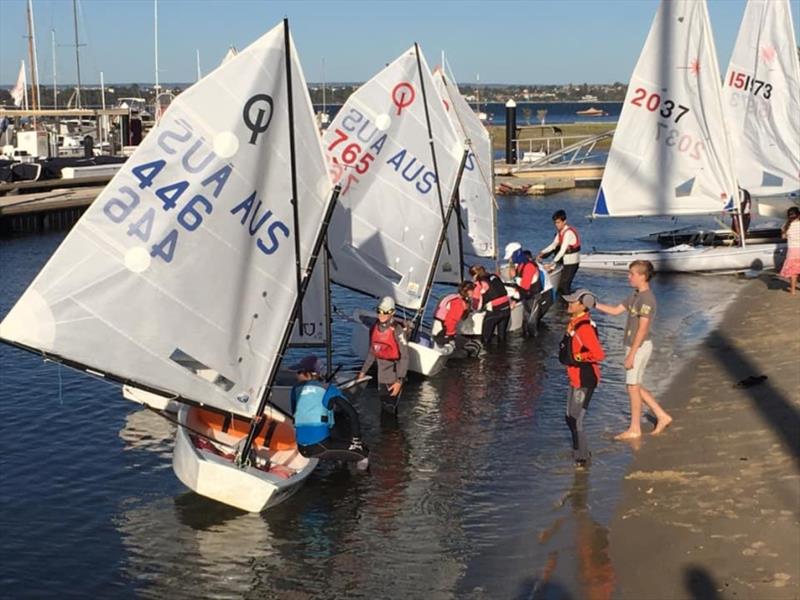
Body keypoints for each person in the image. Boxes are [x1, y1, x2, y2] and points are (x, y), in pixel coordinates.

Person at [595, 260, 672, 439]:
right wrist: (593, 304)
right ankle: (661, 415)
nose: (629, 277)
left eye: (632, 274)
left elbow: (643, 329)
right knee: (634, 385)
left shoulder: (647, 299)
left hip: (639, 346)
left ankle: (635, 428)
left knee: (632, 386)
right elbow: (615, 311)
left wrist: (631, 354)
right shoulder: (636, 295)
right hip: (634, 346)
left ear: (643, 277)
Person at [290, 355, 369, 467]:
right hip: (320, 446)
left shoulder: (295, 390)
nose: (296, 374)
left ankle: (339, 465)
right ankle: (362, 480)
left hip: (302, 447)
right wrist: (357, 441)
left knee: (333, 423)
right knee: (364, 452)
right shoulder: (328, 389)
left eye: (299, 371)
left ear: (309, 373)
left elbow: (297, 414)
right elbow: (352, 413)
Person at [559, 289, 605, 466]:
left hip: (584, 378)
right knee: (569, 417)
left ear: (583, 305)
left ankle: (582, 459)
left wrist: (579, 358)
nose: (569, 304)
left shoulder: (584, 328)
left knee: (576, 419)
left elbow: (599, 354)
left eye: (572, 302)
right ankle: (580, 451)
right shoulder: (574, 323)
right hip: (575, 377)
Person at [358, 296, 409, 414]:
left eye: (386, 312)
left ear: (392, 313)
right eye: (379, 311)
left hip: (394, 376)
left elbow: (405, 356)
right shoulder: (375, 327)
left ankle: (393, 432)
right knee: (383, 410)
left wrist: (399, 381)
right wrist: (362, 372)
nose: (382, 315)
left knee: (390, 410)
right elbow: (372, 352)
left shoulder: (397, 330)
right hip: (381, 376)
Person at [432, 282, 483, 358]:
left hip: (437, 331)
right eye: (473, 291)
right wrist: (451, 337)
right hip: (443, 334)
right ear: (468, 291)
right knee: (474, 347)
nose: (474, 293)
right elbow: (450, 321)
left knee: (468, 343)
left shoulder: (451, 297)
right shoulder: (458, 303)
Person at [537, 209, 581, 296]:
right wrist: (542, 252)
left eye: (558, 222)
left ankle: (569, 304)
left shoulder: (568, 233)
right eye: (555, 223)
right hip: (566, 262)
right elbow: (553, 245)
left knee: (564, 285)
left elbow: (562, 250)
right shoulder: (560, 232)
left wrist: (552, 263)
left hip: (572, 263)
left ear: (564, 221)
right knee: (563, 286)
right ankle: (566, 304)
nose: (557, 225)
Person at [469, 264, 511, 345]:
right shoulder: (494, 276)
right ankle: (503, 355)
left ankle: (487, 356)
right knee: (502, 338)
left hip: (495, 311)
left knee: (486, 339)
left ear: (474, 275)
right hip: (506, 307)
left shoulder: (479, 284)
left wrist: (471, 308)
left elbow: (476, 305)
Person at [510, 247, 545, 336]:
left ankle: (534, 345)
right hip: (526, 296)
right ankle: (527, 341)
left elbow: (525, 285)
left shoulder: (529, 266)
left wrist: (514, 298)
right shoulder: (521, 265)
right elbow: (520, 285)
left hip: (533, 296)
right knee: (525, 321)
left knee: (531, 322)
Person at [779, 206, 800, 295]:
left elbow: (783, 237)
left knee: (793, 272)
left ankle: (793, 290)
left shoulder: (785, 226)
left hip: (792, 251)